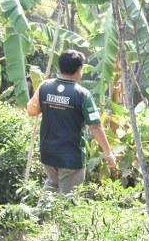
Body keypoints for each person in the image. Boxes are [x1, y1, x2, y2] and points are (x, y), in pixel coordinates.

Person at [27, 49, 118, 194]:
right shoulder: (82, 94)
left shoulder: (44, 87)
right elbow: (95, 126)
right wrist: (108, 153)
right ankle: (48, 215)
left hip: (48, 153)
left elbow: (31, 110)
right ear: (79, 69)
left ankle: (38, 216)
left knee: (51, 189)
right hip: (71, 157)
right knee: (68, 201)